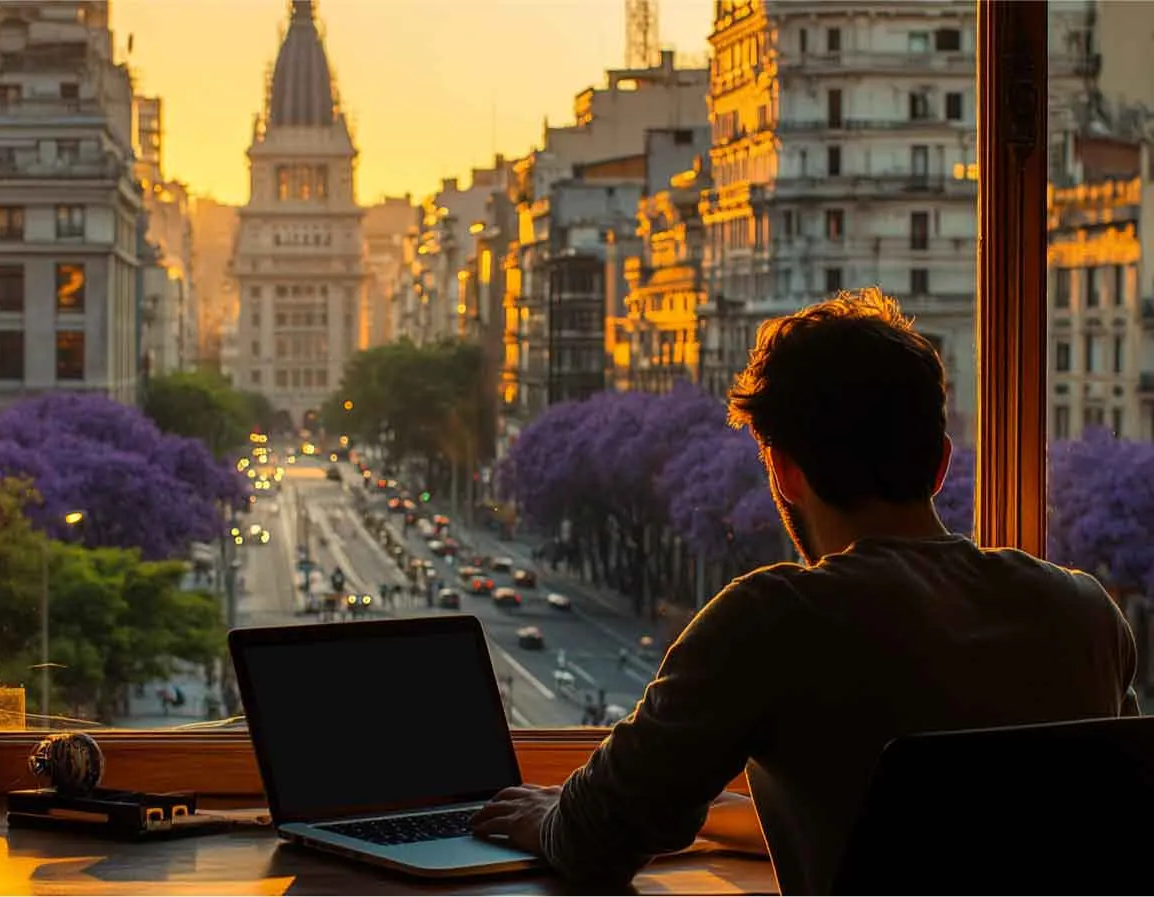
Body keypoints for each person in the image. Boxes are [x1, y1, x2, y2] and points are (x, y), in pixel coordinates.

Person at [471, 289, 1139, 893]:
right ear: (940, 463)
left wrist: (550, 818)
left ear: (784, 472)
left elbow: (598, 837)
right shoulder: (1085, 612)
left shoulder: (773, 619)